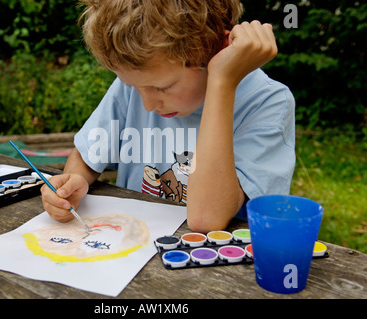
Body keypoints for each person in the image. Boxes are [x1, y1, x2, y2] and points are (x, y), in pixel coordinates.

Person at [41, 0, 295, 233]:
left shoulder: (267, 102)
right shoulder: (137, 85)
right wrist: (75, 182)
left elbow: (206, 219)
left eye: (162, 88)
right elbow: (87, 157)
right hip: (130, 254)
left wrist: (223, 81)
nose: (148, 104)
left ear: (217, 49)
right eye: (132, 86)